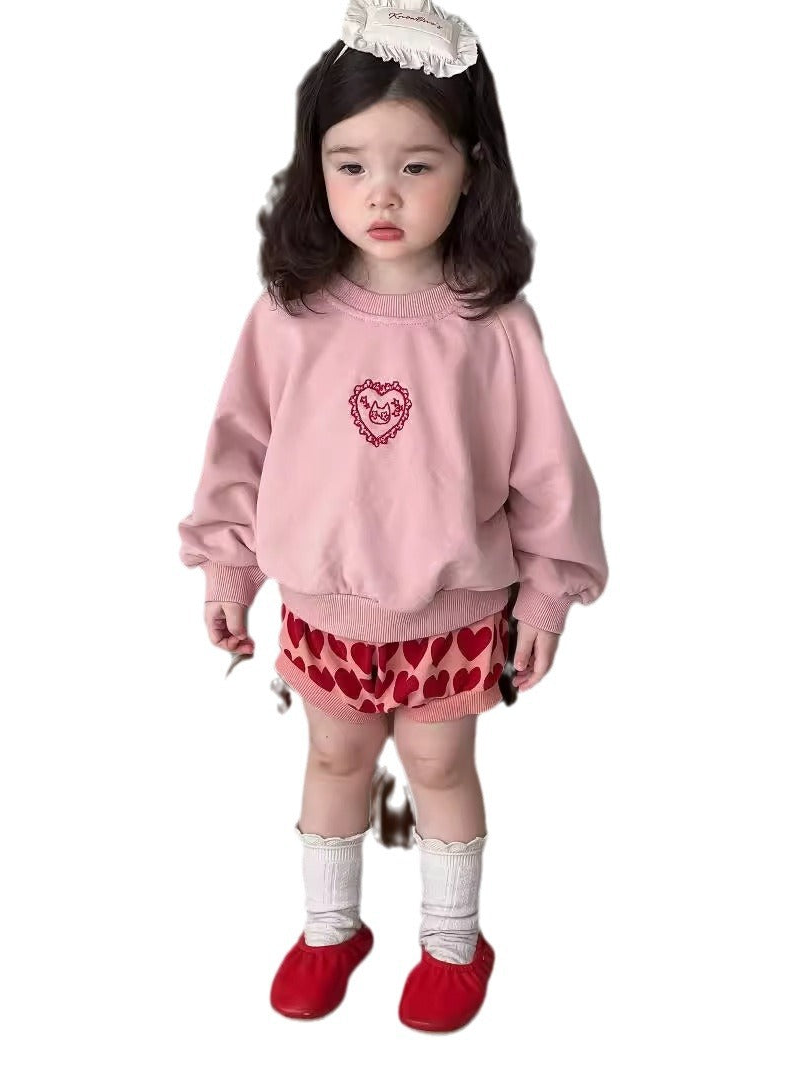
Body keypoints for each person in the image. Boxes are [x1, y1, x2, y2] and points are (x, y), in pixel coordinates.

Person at [177, 0, 608, 1033]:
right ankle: (330, 930)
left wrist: (547, 595)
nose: (381, 192)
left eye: (415, 165)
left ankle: (454, 944)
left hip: (451, 610)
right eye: (351, 163)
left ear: (470, 167)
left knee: (438, 766)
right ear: (315, 168)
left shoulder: (491, 324)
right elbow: (239, 446)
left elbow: (547, 472)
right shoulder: (289, 314)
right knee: (333, 760)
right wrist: (229, 570)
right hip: (325, 606)